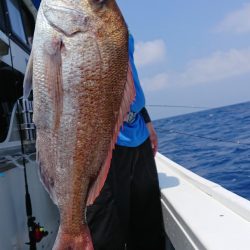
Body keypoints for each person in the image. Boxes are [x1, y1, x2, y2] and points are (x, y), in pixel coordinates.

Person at [86, 33, 166, 250]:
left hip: (138, 136)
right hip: (102, 146)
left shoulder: (116, 19)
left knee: (149, 232)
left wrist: (146, 119)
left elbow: (128, 74)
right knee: (105, 237)